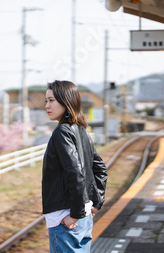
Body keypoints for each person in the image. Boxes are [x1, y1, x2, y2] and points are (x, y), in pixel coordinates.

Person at [42, 80, 108, 253]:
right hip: (84, 214)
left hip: (67, 216)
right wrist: (96, 203)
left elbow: (75, 172)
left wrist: (75, 214)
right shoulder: (80, 130)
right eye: (46, 101)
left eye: (51, 100)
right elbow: (100, 168)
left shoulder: (62, 131)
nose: (47, 106)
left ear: (66, 101)